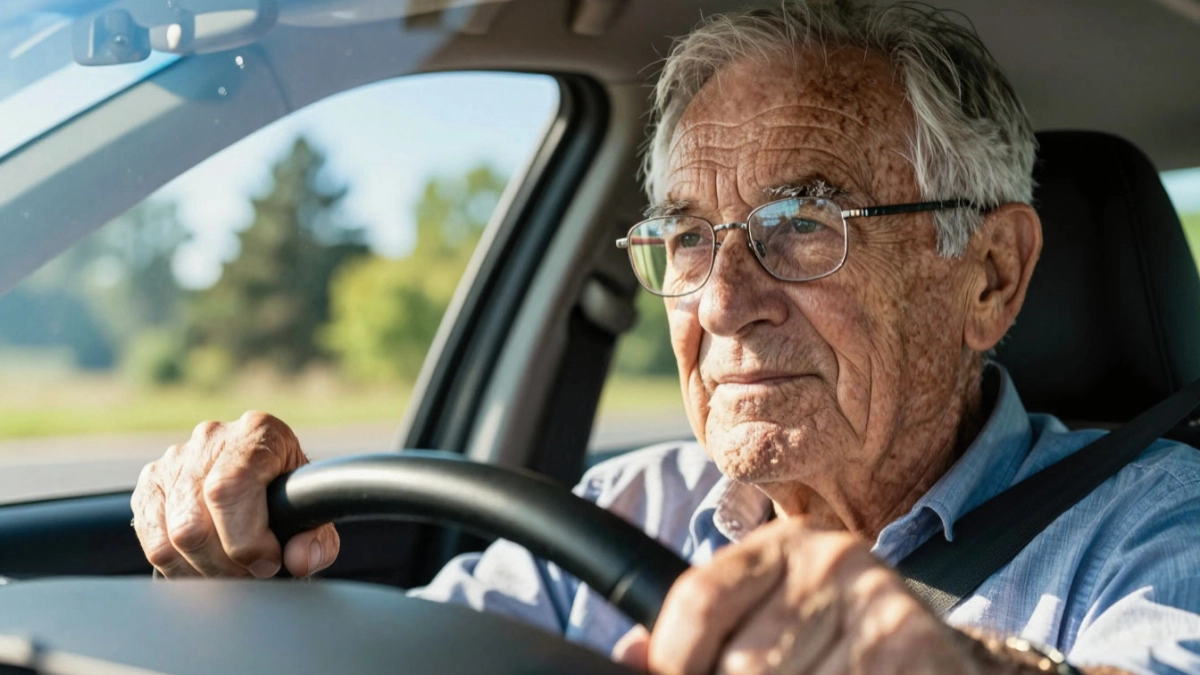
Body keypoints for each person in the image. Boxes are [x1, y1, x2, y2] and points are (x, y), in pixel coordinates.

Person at [130, 1, 1200, 673]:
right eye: (686, 240)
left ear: (991, 275)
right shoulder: (617, 511)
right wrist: (241, 605)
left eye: (800, 226)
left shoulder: (1157, 530)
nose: (724, 302)